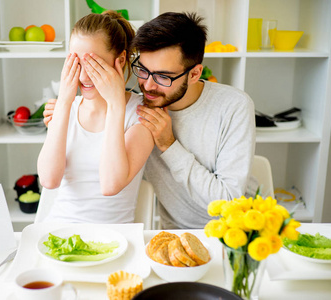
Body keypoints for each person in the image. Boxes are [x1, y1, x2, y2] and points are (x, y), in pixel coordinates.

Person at [44, 12, 255, 229]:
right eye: (143, 70)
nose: (148, 85)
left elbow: (229, 203)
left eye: (163, 76)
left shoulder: (233, 106)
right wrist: (62, 112)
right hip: (173, 234)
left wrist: (169, 145)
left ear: (194, 74)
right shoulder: (140, 108)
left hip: (238, 230)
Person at [37, 11, 154, 224]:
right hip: (58, 230)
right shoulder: (65, 109)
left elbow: (110, 185)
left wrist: (116, 104)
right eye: (77, 63)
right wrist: (64, 102)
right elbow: (48, 180)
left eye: (93, 64)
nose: (83, 76)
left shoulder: (141, 115)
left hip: (114, 239)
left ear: (119, 60)